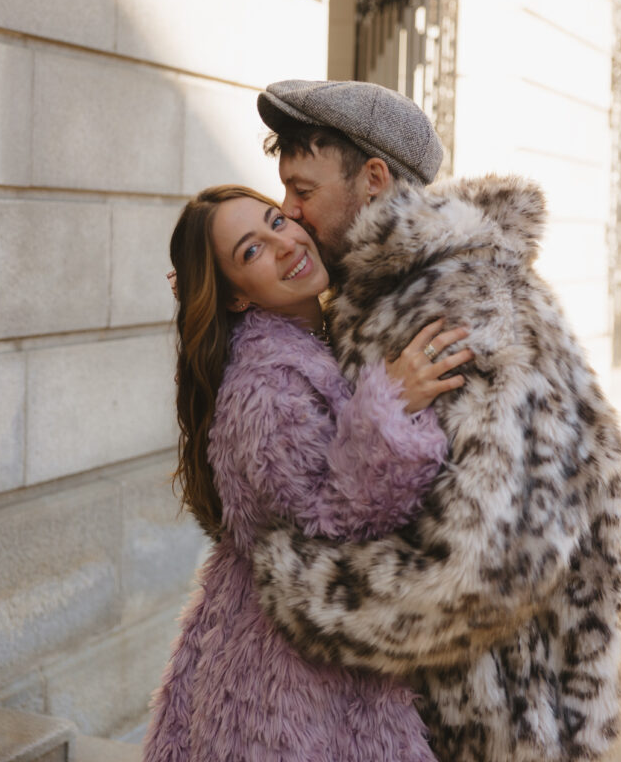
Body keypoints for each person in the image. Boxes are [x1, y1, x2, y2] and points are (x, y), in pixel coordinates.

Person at [251, 80, 621, 762]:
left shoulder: (453, 305)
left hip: (490, 726)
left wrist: (295, 584)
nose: (290, 211)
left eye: (302, 190)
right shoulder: (393, 293)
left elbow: (481, 571)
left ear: (371, 179)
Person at [142, 183, 475, 762]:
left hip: (303, 664)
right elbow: (329, 527)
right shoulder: (265, 388)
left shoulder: (312, 342)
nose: (284, 242)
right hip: (286, 697)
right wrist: (389, 404)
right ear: (236, 298)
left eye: (276, 220)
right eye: (251, 251)